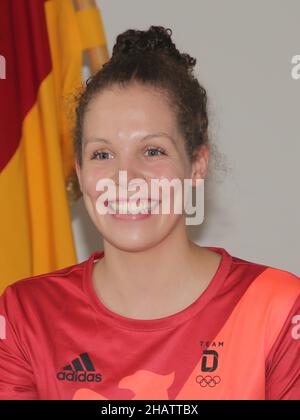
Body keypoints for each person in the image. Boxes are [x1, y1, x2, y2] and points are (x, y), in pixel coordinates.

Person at [0, 26, 299, 401]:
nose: (125, 179)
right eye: (102, 154)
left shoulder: (278, 308)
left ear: (196, 165)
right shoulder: (25, 314)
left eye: (153, 151)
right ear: (79, 171)